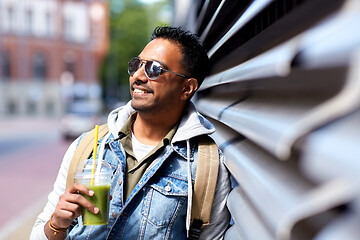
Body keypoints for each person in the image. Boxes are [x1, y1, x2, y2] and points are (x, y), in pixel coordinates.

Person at [30, 26, 231, 240]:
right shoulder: (88, 146)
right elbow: (39, 234)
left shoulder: (207, 166)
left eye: (154, 69)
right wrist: (57, 225)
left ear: (187, 88)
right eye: (137, 65)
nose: (137, 76)